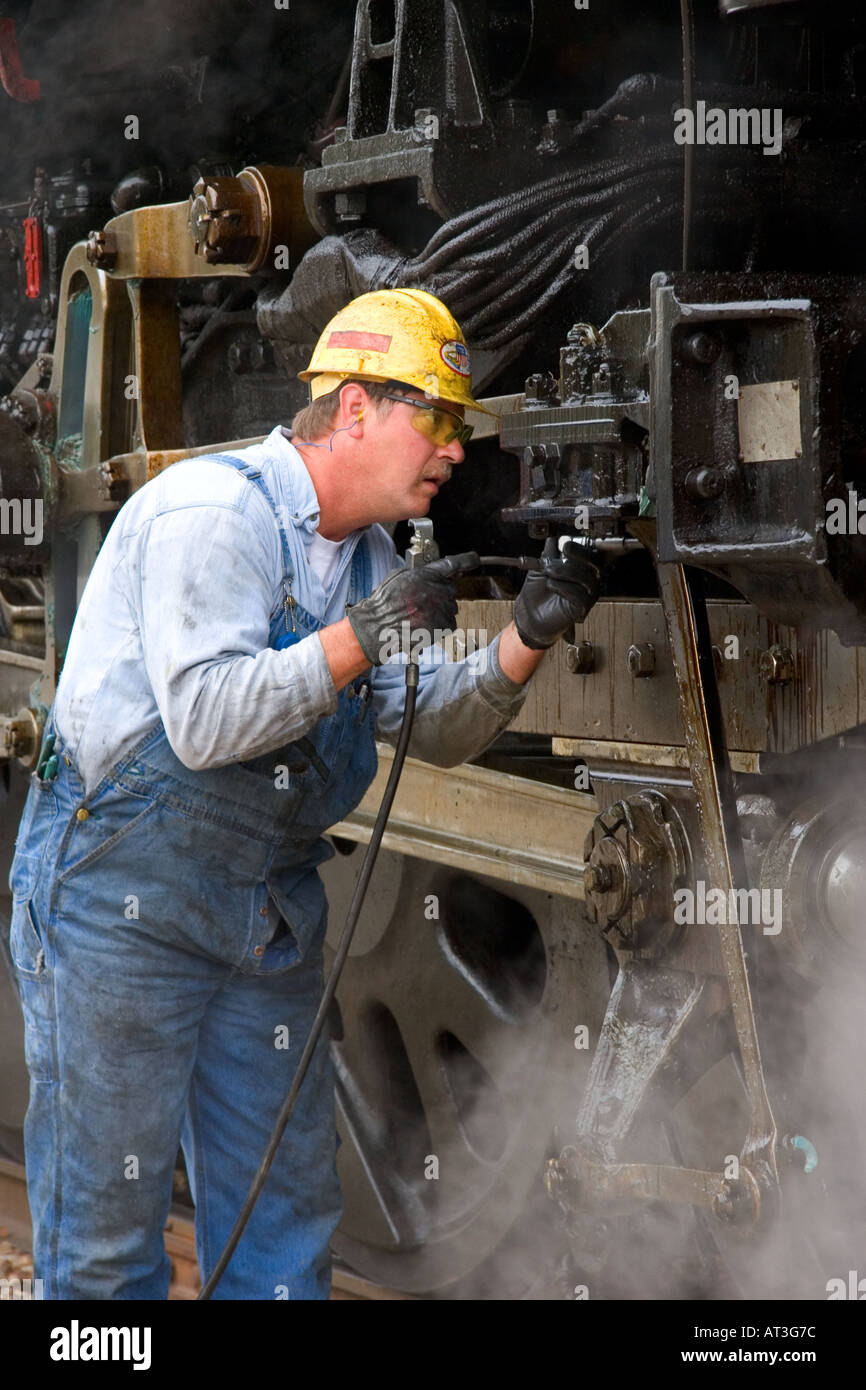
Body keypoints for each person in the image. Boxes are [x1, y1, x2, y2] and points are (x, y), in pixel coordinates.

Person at [8, 288, 599, 1299]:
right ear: (356, 407)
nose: (455, 448)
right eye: (437, 418)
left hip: (264, 913)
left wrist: (527, 636)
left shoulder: (366, 559)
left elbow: (430, 725)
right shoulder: (212, 514)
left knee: (282, 1228)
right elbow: (205, 720)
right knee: (104, 1244)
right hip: (120, 905)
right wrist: (362, 635)